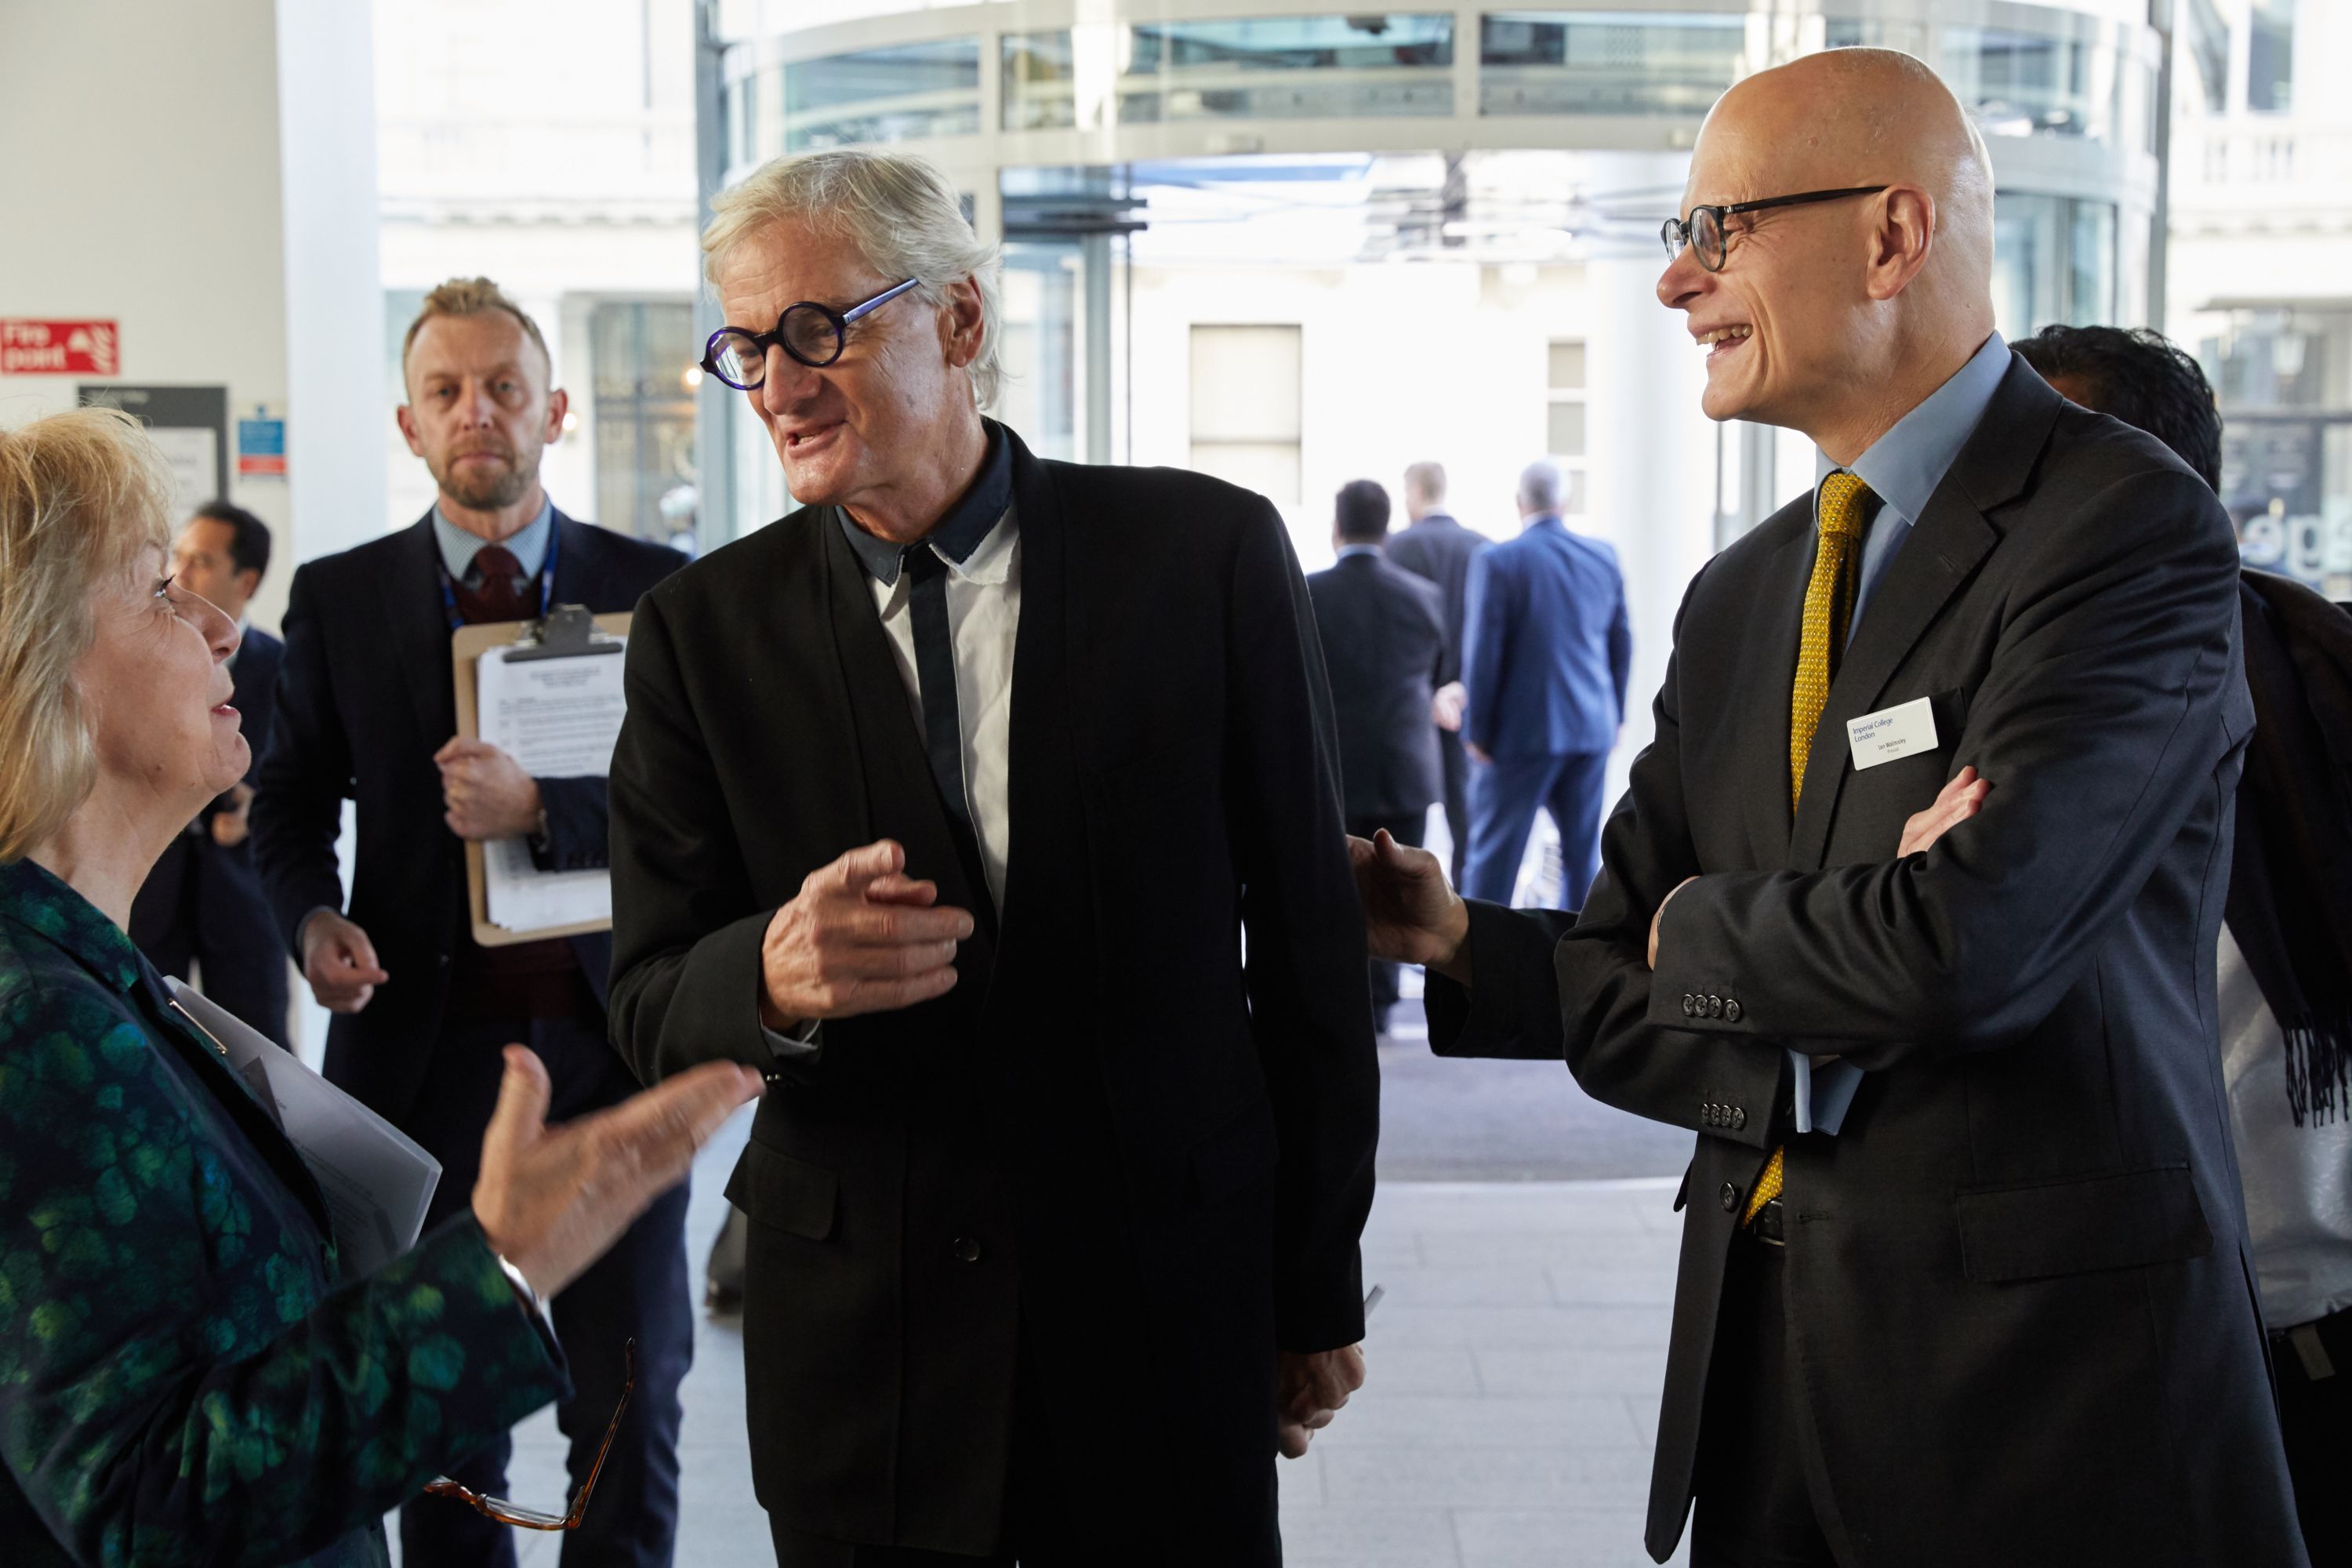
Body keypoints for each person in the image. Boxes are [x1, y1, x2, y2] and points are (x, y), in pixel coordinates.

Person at [1353, 48, 2305, 1568]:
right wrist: (1561, 941)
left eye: (1717, 228)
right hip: (1770, 1388)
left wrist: (1706, 923)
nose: (1677, 281)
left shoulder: (2123, 524)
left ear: (1891, 234)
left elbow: (1967, 947)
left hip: (2051, 1418)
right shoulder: (1743, 595)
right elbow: (1619, 975)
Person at [604, 147, 1379, 1567]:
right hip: (864, 1350)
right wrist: (770, 976)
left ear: (958, 323)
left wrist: (1314, 1280)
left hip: (1160, 1305)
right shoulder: (699, 634)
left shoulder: (1200, 556)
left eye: (819, 330)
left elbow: (1313, 954)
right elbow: (649, 994)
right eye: (746, 347)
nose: (777, 384)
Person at [0, 405, 762, 1568]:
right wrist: (502, 1264)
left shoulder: (92, 981)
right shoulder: (37, 1029)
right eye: (158, 591)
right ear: (44, 667)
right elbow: (153, 1503)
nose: (214, 623)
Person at [250, 278, 693, 1568]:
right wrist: (309, 922)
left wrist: (543, 808)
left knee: (628, 1397)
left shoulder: (655, 591)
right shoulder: (342, 598)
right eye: (445, 390)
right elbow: (285, 806)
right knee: (441, 1410)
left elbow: (700, 817)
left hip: (612, 1052)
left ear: (553, 407)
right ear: (407, 423)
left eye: (503, 386)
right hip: (420, 1067)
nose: (476, 412)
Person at [2016, 321, 2352, 1568]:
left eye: (2029, 469)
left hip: (2306, 1349)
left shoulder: (2314, 691)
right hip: (2079, 1361)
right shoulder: (1981, 713)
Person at [127, 499, 291, 1047]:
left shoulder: (284, 667)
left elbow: (301, 779)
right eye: (179, 556)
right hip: (154, 892)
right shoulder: (148, 658)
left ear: (247, 580)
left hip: (244, 896)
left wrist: (255, 808)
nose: (181, 573)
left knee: (257, 1055)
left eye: (201, 560)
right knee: (147, 1043)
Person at [1306, 477, 1448, 1035]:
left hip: (1333, 762)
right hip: (1405, 763)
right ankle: (1384, 1003)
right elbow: (1436, 674)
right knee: (1399, 881)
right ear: (1388, 530)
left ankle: (1342, 995)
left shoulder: (1308, 591)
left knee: (1334, 882)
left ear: (1336, 527)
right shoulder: (1424, 597)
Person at [1457, 458, 1630, 909]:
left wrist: (1477, 731)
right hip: (1591, 728)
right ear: (1565, 502)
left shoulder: (1498, 560)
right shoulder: (1603, 556)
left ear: (1520, 504)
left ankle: (1480, 971)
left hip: (1521, 735)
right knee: (1582, 858)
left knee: (1495, 860)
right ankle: (1579, 966)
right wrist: (1615, 719)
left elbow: (1484, 653)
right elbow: (1621, 641)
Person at [1385, 460, 1489, 881]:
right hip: (1465, 702)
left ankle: (1410, 910)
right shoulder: (1481, 547)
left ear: (1413, 493)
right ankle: (1463, 910)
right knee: (1466, 820)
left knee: (1407, 823)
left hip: (1410, 706)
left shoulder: (1396, 548)